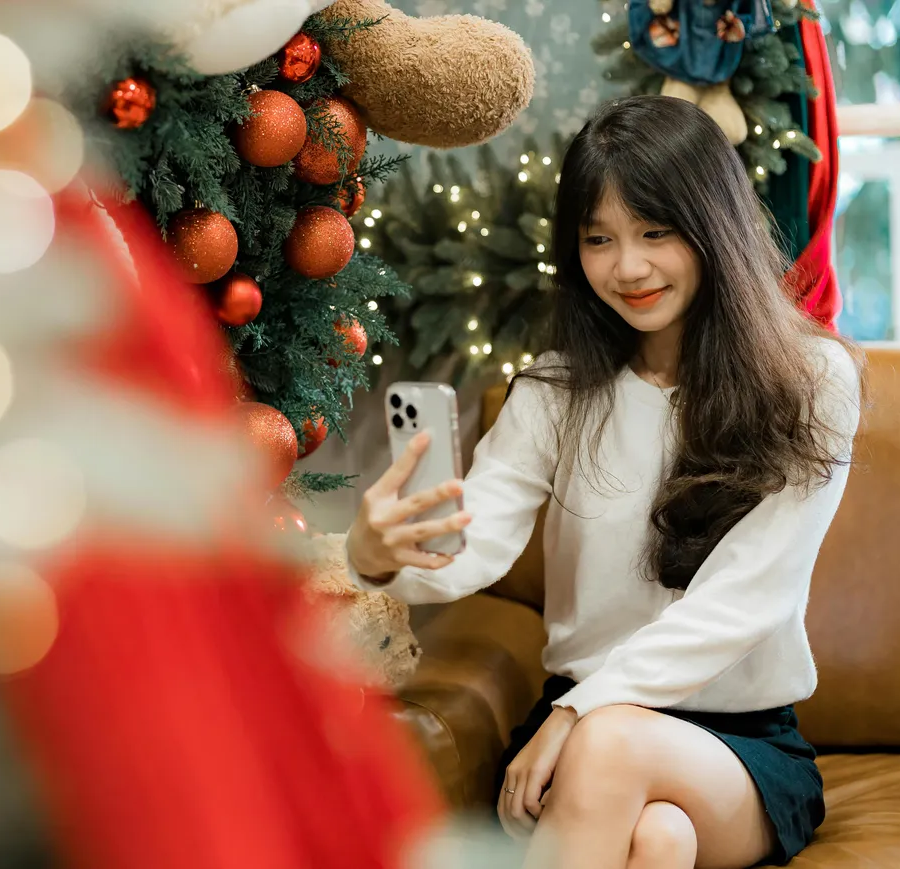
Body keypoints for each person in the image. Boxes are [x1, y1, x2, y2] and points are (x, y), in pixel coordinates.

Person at [345, 95, 863, 869]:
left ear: (713, 226)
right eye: (599, 239)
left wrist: (582, 713)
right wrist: (377, 550)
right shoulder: (555, 392)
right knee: (659, 840)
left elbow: (748, 596)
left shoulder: (812, 377)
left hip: (736, 741)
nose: (628, 267)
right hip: (580, 735)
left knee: (613, 742)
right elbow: (470, 541)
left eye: (657, 231)